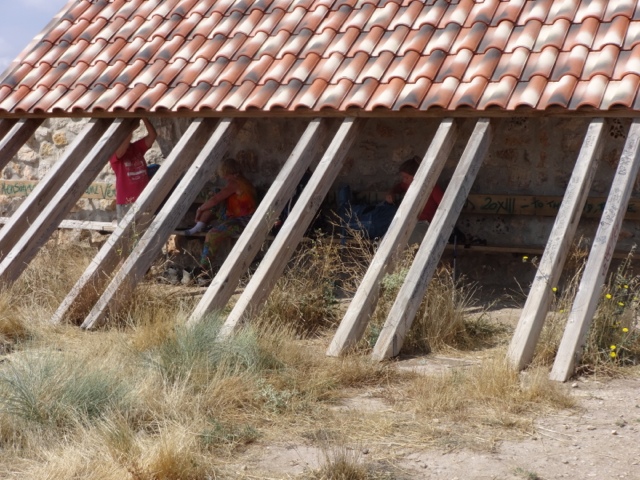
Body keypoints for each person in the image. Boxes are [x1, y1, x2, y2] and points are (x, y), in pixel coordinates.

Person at [338, 156, 444, 240]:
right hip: (406, 222)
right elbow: (399, 187)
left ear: (417, 176)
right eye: (403, 177)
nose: (404, 180)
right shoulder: (409, 184)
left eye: (406, 177)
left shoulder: (432, 188)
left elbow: (444, 207)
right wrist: (392, 193)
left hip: (422, 224)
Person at [185, 158, 257, 273]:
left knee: (212, 234)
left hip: (244, 221)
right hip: (234, 216)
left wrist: (200, 209)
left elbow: (215, 200)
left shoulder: (235, 183)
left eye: (224, 173)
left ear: (227, 172)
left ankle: (203, 269)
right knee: (214, 194)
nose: (223, 177)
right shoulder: (241, 181)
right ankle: (199, 226)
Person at [109, 118, 157, 221]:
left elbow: (152, 136)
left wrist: (144, 118)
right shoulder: (114, 153)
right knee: (128, 232)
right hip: (126, 203)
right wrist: (131, 128)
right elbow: (123, 146)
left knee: (145, 230)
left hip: (144, 199)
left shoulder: (136, 147)